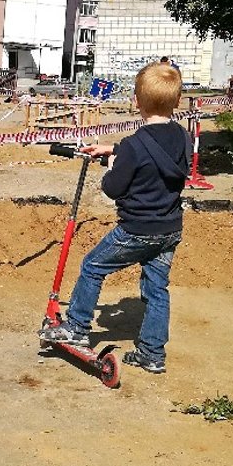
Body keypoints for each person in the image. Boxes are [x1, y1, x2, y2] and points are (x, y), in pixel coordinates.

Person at [38, 62, 192, 374]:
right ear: (177, 102)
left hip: (136, 229)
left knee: (92, 266)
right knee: (156, 288)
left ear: (136, 101)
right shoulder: (182, 137)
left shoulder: (135, 146)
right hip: (169, 229)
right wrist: (115, 149)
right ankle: (152, 353)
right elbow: (157, 152)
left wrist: (113, 165)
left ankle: (77, 326)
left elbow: (113, 188)